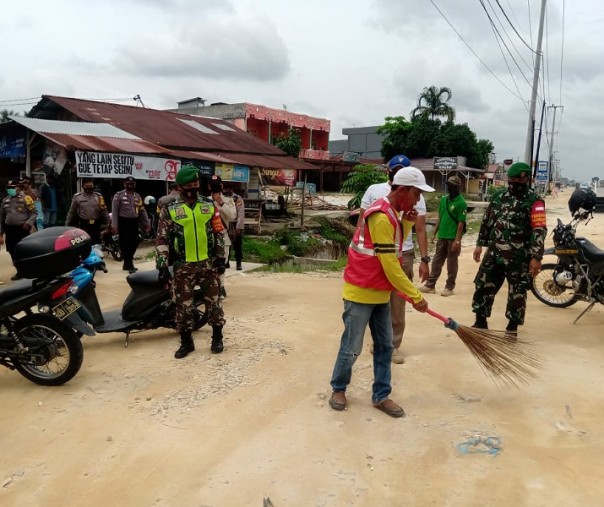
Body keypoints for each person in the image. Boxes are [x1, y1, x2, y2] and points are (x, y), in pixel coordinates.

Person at [329, 167, 434, 418]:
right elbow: (390, 264)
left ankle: (381, 395)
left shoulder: (394, 214)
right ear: (402, 190)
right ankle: (339, 388)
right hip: (360, 291)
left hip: (379, 291)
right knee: (352, 347)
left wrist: (407, 221)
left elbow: (394, 248)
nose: (418, 200)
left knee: (385, 346)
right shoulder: (380, 215)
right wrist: (416, 296)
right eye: (416, 194)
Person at [358, 154, 430, 365]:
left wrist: (425, 259)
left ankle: (393, 345)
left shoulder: (416, 193)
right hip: (376, 256)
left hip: (403, 252)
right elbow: (362, 224)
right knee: (378, 302)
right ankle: (380, 342)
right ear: (388, 171)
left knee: (397, 304)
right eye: (394, 168)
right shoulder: (374, 191)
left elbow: (420, 227)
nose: (395, 172)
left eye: (400, 169)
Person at [155, 165, 227, 358]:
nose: (194, 186)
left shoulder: (209, 205)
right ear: (180, 186)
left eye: (196, 183)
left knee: (214, 303)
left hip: (209, 264)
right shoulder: (170, 209)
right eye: (190, 183)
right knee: (183, 307)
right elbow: (162, 238)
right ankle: (187, 343)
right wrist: (162, 265)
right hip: (183, 267)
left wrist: (221, 258)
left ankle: (217, 338)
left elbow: (218, 232)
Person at [471, 162, 547, 338]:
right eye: (510, 180)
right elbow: (487, 220)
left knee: (517, 292)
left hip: (518, 255)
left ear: (526, 179)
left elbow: (539, 229)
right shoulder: (499, 196)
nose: (512, 183)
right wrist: (479, 244)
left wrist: (536, 256)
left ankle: (512, 327)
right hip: (494, 252)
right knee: (483, 284)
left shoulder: (535, 201)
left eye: (516, 180)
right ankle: (480, 321)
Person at [419, 174, 467, 296]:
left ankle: (449, 287)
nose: (450, 188)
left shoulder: (461, 203)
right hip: (442, 236)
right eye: (448, 185)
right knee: (436, 261)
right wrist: (434, 232)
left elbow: (461, 223)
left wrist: (457, 241)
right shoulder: (444, 200)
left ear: (457, 187)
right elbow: (440, 217)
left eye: (452, 186)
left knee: (451, 263)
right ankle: (430, 285)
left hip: (453, 238)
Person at [111, 176, 150, 273]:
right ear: (124, 184)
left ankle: (127, 263)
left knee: (135, 242)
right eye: (128, 183)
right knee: (125, 243)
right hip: (123, 221)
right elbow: (114, 211)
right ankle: (129, 264)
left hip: (134, 222)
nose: (130, 185)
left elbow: (142, 210)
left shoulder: (137, 196)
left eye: (132, 184)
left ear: (135, 185)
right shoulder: (118, 195)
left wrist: (147, 223)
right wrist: (114, 226)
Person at [0, 180, 38, 280]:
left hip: (22, 229)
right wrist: (1, 233)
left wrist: (28, 223)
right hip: (9, 230)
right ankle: (19, 271)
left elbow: (34, 213)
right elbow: (2, 217)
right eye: (9, 187)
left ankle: (29, 270)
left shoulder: (26, 199)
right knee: (12, 250)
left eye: (13, 187)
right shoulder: (5, 200)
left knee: (24, 250)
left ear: (19, 187)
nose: (10, 189)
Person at [208, 175, 236, 293]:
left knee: (222, 263)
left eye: (217, 185)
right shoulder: (205, 201)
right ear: (209, 186)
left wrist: (222, 203)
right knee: (209, 263)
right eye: (213, 185)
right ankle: (212, 287)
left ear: (222, 186)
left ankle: (221, 286)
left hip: (223, 237)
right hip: (208, 238)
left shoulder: (229, 201)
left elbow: (232, 216)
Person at [65, 178, 110, 245]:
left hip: (96, 224)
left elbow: (104, 211)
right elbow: (71, 212)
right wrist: (67, 224)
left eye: (91, 186)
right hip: (84, 224)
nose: (89, 189)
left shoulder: (99, 196)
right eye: (87, 187)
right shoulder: (77, 197)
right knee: (85, 243)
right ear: (83, 187)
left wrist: (109, 222)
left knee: (96, 243)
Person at [224, 186, 245, 270]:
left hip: (234, 223)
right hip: (225, 223)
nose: (225, 190)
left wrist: (239, 227)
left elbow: (241, 213)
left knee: (237, 245)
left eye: (227, 188)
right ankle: (226, 261)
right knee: (226, 244)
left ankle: (238, 263)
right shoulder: (222, 198)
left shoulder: (237, 199)